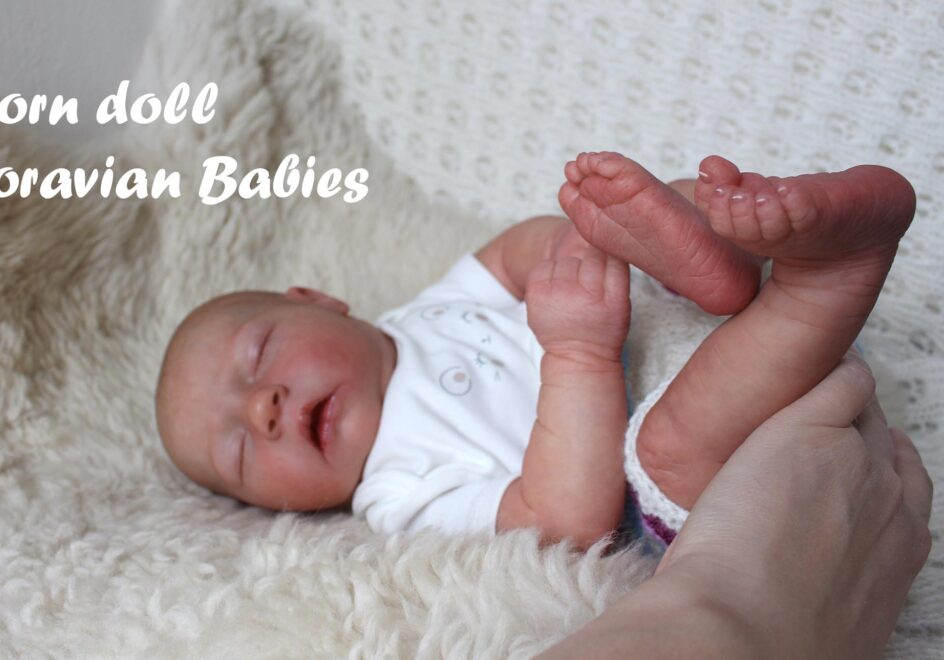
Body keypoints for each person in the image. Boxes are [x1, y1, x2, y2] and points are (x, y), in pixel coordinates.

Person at [153, 152, 916, 551]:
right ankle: (825, 280)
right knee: (671, 445)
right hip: (676, 471)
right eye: (242, 452)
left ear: (318, 300)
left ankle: (715, 261)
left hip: (670, 319)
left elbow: (514, 254)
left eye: (261, 354)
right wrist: (579, 352)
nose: (263, 409)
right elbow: (564, 522)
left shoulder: (423, 313)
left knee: (627, 218)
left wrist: (575, 246)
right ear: (281, 508)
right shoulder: (398, 493)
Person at [541, 351, 933, 658]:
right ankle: (815, 298)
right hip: (682, 519)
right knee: (672, 447)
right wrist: (579, 356)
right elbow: (566, 532)